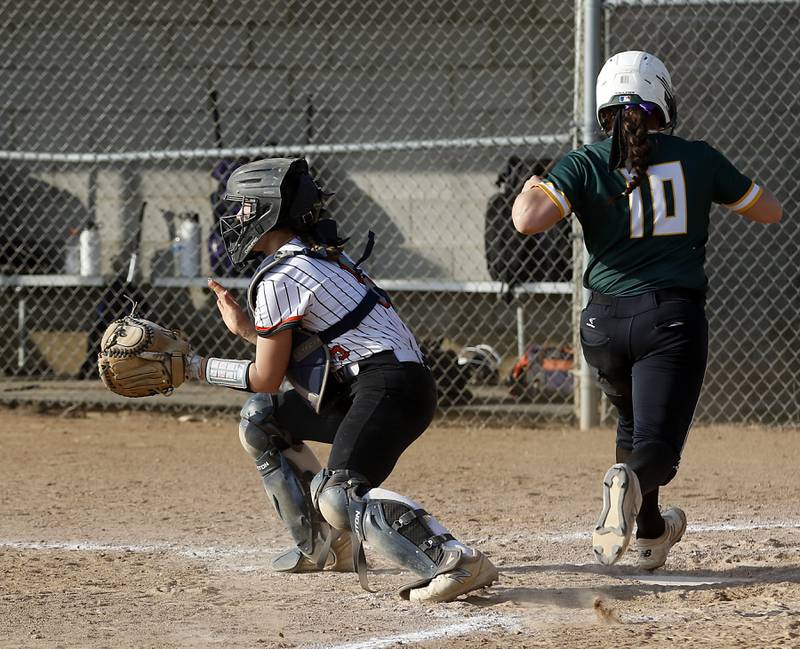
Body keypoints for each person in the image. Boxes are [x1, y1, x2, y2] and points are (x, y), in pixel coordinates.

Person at [511, 51, 782, 570]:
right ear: (661, 101)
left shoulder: (585, 161)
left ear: (603, 108)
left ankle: (651, 533)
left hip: (603, 325)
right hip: (670, 320)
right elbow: (769, 211)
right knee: (657, 449)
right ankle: (628, 482)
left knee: (632, 422)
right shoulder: (697, 157)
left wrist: (532, 185)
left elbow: (527, 220)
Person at [197, 157, 497, 602]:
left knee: (338, 495)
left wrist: (193, 368)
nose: (234, 217)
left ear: (267, 210)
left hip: (388, 387)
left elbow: (265, 375)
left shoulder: (282, 274)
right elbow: (302, 356)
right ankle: (324, 545)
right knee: (262, 419)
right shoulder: (316, 255)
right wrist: (247, 330)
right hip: (379, 383)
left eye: (243, 207)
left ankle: (453, 560)